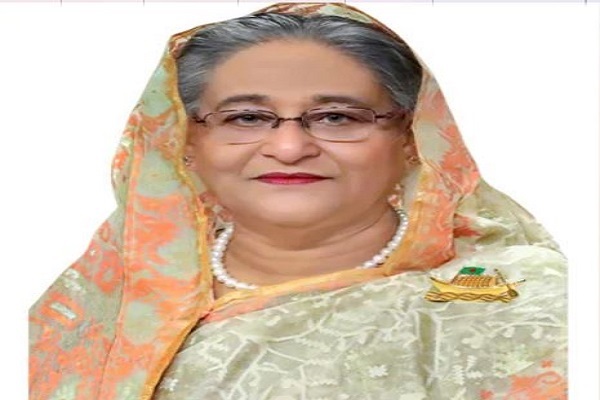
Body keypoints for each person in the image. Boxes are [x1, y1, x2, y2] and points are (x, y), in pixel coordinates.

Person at [29, 2, 567, 399]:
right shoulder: (104, 293)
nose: (289, 148)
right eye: (246, 117)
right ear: (185, 143)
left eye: (337, 117)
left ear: (412, 139)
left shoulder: (525, 305)